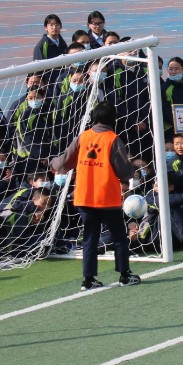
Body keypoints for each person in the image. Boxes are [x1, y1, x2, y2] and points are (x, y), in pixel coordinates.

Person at [51, 100, 142, 291]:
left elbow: (63, 163)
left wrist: (52, 162)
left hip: (84, 196)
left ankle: (88, 279)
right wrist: (131, 167)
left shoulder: (83, 137)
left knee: (89, 238)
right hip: (107, 197)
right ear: (112, 118)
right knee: (119, 237)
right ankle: (124, 274)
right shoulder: (112, 139)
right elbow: (125, 172)